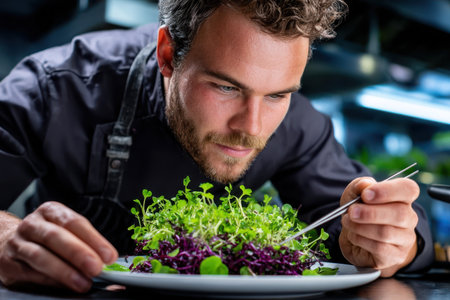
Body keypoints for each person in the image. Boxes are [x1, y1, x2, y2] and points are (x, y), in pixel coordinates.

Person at [0, 0, 433, 293]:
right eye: (226, 87)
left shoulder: (299, 124)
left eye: (278, 94)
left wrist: (390, 239)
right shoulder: (57, 87)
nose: (251, 126)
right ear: (168, 54)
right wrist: (6, 238)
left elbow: (370, 225)